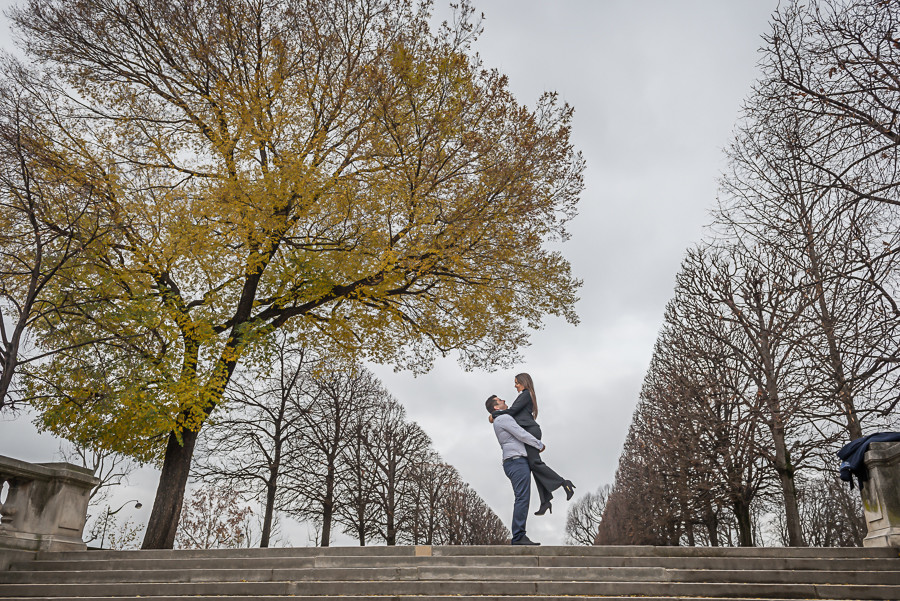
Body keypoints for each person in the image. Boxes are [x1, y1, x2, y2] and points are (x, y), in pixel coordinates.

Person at [490, 373, 574, 516]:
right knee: (533, 465)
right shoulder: (525, 395)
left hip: (530, 431)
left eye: (517, 382)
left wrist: (494, 414)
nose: (515, 385)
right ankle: (545, 500)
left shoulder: (526, 394)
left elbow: (512, 412)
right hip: (528, 431)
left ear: (524, 382)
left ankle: (563, 483)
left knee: (535, 464)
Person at [486, 394, 544, 545]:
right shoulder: (504, 419)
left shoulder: (499, 418)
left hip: (514, 461)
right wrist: (539, 444)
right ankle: (518, 536)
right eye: (500, 400)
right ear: (496, 407)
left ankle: (519, 535)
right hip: (516, 461)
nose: (504, 400)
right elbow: (521, 434)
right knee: (522, 498)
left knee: (522, 498)